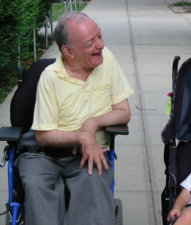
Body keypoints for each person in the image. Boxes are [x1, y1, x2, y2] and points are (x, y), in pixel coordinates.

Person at [15, 12, 134, 225]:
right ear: (68, 51)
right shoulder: (51, 77)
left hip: (88, 155)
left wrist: (92, 123)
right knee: (37, 189)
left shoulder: (106, 58)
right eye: (90, 42)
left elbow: (123, 111)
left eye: (100, 36)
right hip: (42, 155)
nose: (100, 45)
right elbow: (43, 136)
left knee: (93, 185)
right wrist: (82, 137)